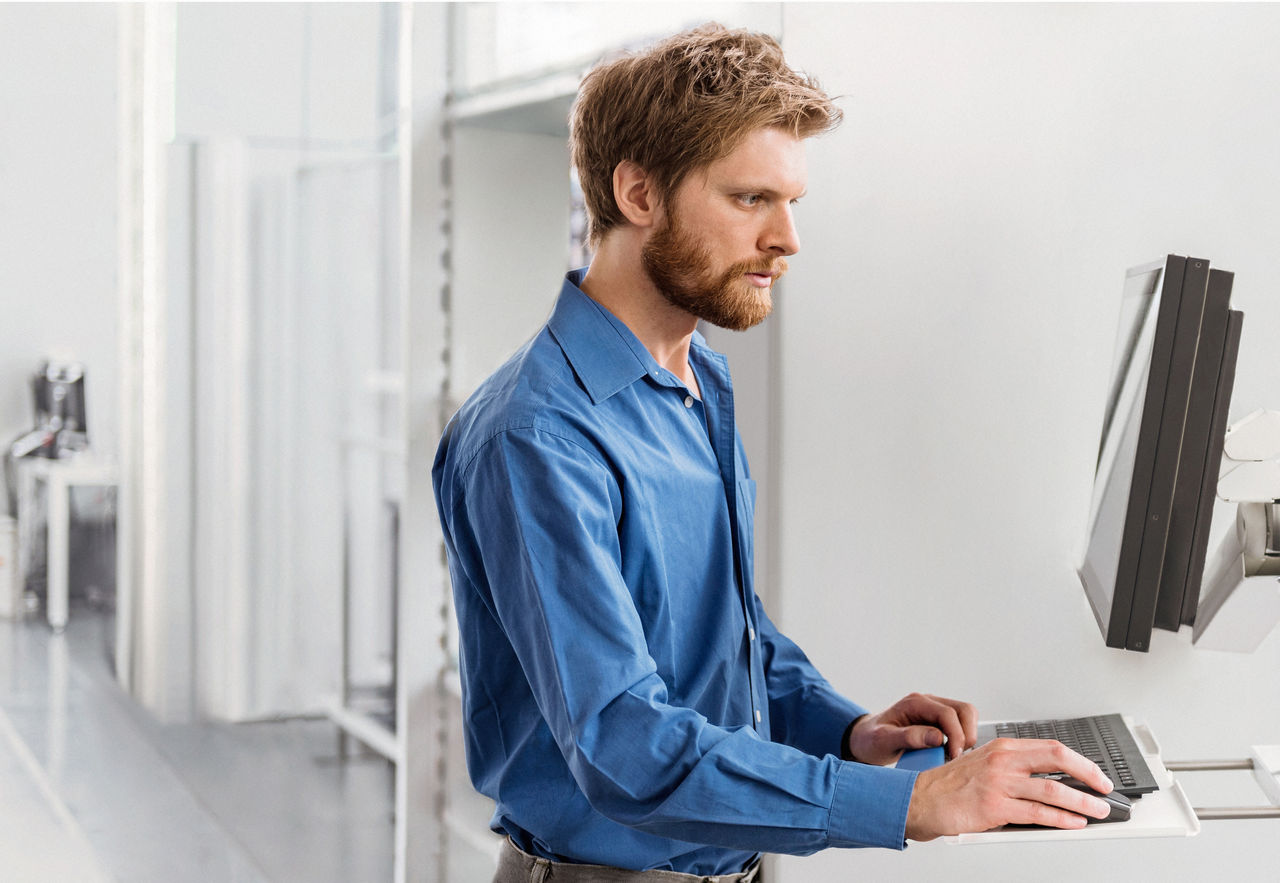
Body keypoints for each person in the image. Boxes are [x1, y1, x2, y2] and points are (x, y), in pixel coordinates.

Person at [432, 23, 1115, 883]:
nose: (787, 238)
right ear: (639, 193)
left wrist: (844, 729)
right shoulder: (537, 435)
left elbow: (726, 640)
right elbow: (624, 742)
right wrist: (912, 802)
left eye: (793, 203)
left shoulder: (695, 383)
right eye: (751, 198)